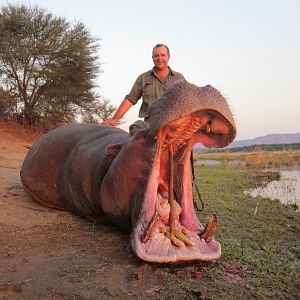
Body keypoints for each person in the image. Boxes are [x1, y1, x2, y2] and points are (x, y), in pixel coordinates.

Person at [102, 44, 185, 126]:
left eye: (163, 55)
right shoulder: (143, 78)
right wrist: (114, 119)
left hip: (173, 126)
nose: (159, 58)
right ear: (152, 58)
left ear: (168, 57)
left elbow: (186, 102)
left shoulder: (179, 78)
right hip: (149, 126)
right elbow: (130, 99)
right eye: (156, 56)